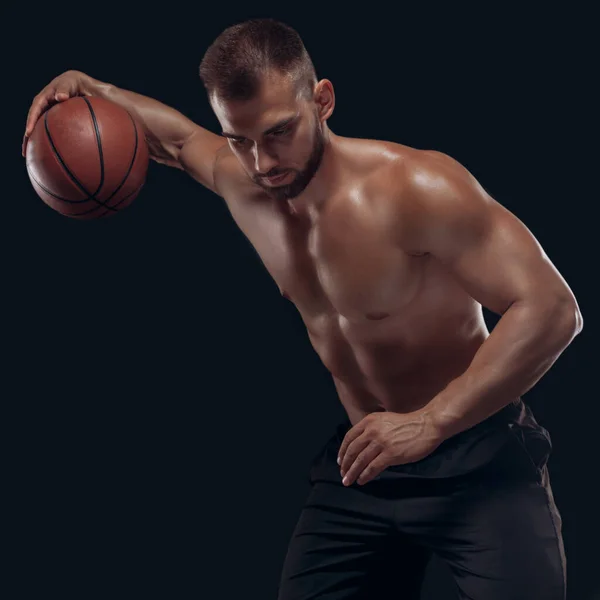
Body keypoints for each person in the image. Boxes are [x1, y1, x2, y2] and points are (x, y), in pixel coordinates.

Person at [22, 18, 582, 600]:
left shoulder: (414, 188)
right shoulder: (244, 184)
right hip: (367, 462)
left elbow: (552, 308)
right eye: (240, 139)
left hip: (477, 454)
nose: (263, 162)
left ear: (323, 101)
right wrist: (93, 88)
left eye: (279, 132)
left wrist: (432, 421)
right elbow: (178, 140)